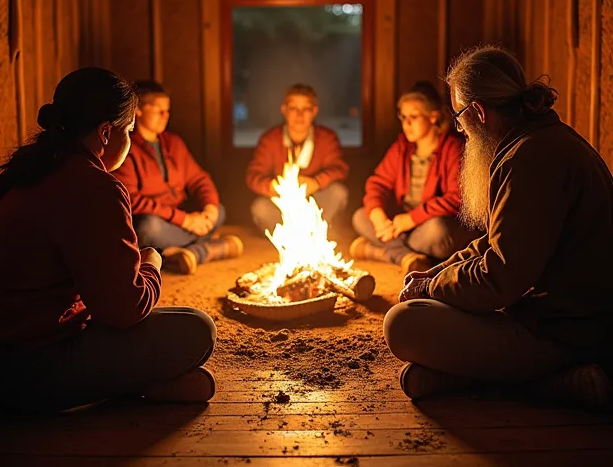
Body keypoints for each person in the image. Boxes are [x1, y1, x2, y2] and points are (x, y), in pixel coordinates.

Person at [0, 68, 216, 413]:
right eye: (128, 130)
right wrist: (152, 264)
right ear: (106, 132)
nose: (129, 138)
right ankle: (136, 385)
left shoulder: (25, 171)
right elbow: (125, 309)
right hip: (29, 369)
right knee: (198, 329)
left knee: (181, 319)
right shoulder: (95, 186)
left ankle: (137, 383)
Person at [385, 47, 613, 410]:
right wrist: (439, 272)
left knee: (402, 324)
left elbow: (500, 280)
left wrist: (432, 287)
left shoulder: (529, 159)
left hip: (565, 331)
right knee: (427, 323)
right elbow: (495, 244)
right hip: (553, 316)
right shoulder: (534, 141)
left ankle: (549, 382)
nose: (461, 130)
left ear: (477, 112)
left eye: (459, 119)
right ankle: (473, 375)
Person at [113, 80, 242, 275]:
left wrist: (209, 209)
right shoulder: (127, 147)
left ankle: (169, 253)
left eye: (168, 111)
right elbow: (131, 200)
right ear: (139, 110)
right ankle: (204, 249)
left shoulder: (173, 142)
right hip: (158, 221)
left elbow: (199, 179)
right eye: (159, 111)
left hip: (181, 217)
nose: (166, 116)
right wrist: (184, 220)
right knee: (148, 229)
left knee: (220, 210)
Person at [350, 82, 474, 274]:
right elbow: (378, 183)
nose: (406, 124)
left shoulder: (452, 148)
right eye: (403, 117)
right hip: (403, 227)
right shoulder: (402, 147)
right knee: (360, 216)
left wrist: (411, 219)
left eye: (413, 117)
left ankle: (380, 251)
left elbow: (455, 198)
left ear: (433, 116)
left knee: (438, 231)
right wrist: (377, 214)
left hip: (428, 226)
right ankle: (407, 257)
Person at [246, 83, 349, 233]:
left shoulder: (326, 138)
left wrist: (316, 182)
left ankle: (317, 234)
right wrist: (273, 186)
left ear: (314, 111)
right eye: (293, 109)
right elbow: (253, 175)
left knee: (338, 192)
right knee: (260, 208)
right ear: (284, 110)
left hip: (315, 201)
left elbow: (339, 169)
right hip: (283, 204)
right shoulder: (270, 140)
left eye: (306, 109)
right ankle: (291, 238)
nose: (299, 115)